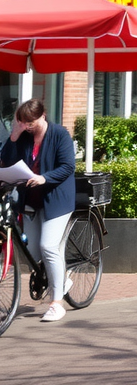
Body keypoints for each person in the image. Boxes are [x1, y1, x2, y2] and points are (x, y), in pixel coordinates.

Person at [0, 99, 76, 322]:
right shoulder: (22, 136)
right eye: (22, 122)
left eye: (30, 122)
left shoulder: (59, 134)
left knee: (49, 246)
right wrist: (14, 135)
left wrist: (45, 177)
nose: (27, 126)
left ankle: (56, 303)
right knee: (31, 252)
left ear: (43, 116)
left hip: (57, 199)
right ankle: (61, 279)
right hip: (32, 200)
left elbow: (68, 166)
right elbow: (6, 161)